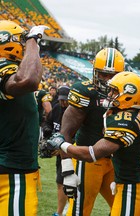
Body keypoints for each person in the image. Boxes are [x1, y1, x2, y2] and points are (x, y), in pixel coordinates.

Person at [48, 71, 140, 216]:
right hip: (136, 180)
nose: (109, 94)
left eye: (114, 91)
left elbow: (92, 153)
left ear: (129, 94)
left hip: (132, 187)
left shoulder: (123, 122)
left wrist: (62, 144)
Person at [56, 48, 125, 216]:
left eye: (112, 76)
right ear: (95, 72)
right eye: (103, 74)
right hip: (88, 159)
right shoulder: (86, 92)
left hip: (117, 160)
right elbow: (66, 131)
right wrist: (67, 169)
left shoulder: (127, 94)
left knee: (123, 208)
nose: (107, 80)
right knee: (80, 210)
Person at [0, 20, 48, 216]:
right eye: (21, 41)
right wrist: (32, 39)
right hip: (11, 171)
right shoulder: (4, 67)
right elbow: (28, 79)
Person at [42, 85, 71, 216]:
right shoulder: (57, 107)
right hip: (59, 151)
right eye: (61, 99)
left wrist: (63, 149)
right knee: (60, 181)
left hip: (72, 153)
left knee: (72, 183)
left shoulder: (75, 111)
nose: (63, 102)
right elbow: (47, 122)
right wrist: (47, 131)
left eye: (65, 99)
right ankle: (60, 212)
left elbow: (79, 135)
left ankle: (68, 210)